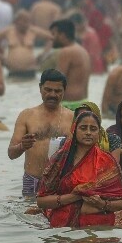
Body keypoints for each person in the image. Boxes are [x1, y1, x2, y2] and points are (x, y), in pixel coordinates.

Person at [36, 111, 122, 227]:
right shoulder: (60, 159)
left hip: (98, 228)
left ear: (99, 133)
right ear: (75, 130)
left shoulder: (107, 161)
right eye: (83, 128)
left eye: (93, 129)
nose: (88, 133)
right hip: (63, 227)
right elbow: (41, 201)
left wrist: (103, 204)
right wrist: (76, 196)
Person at [8, 68, 74, 198]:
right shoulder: (26, 116)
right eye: (48, 90)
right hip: (32, 180)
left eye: (57, 91)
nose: (52, 95)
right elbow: (11, 154)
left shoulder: (72, 118)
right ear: (40, 88)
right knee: (28, 216)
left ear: (64, 91)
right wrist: (22, 146)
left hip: (60, 182)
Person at [41, 19, 91, 110]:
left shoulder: (66, 52)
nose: (51, 38)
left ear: (62, 36)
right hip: (83, 103)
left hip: (69, 105)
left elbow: (56, 82)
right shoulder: (82, 51)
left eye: (53, 34)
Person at [0, 10, 53, 79]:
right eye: (24, 21)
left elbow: (50, 38)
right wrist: (1, 57)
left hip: (30, 71)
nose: (26, 24)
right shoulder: (8, 31)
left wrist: (44, 54)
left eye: (27, 21)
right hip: (13, 71)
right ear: (16, 21)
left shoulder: (33, 30)